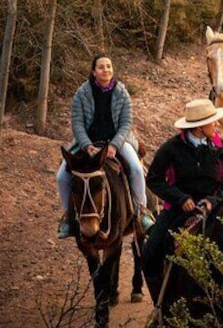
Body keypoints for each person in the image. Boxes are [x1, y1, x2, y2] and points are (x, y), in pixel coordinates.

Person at [142, 98, 223, 328]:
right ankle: (161, 309)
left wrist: (212, 201)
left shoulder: (222, 149)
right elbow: (154, 179)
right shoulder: (171, 148)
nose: (216, 125)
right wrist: (180, 198)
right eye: (212, 122)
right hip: (178, 210)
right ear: (199, 127)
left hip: (215, 208)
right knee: (149, 252)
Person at [56, 53, 154, 239]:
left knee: (135, 168)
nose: (106, 70)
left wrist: (115, 145)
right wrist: (86, 146)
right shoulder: (82, 93)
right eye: (101, 67)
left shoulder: (122, 92)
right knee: (62, 176)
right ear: (94, 72)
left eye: (108, 66)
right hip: (88, 142)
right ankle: (69, 218)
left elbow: (126, 123)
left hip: (118, 140)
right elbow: (77, 123)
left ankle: (141, 211)